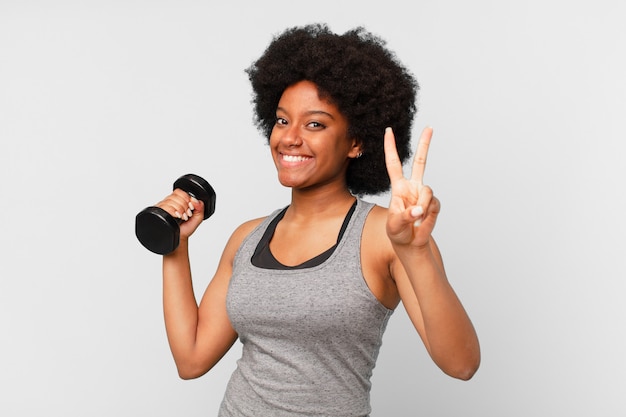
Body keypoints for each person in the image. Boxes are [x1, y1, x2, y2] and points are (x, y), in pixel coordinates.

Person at [155, 23, 480, 416]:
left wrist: (416, 251)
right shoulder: (248, 237)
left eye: (315, 124)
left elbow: (461, 364)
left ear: (356, 142)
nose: (290, 138)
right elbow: (191, 360)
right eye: (281, 120)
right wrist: (174, 243)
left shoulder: (385, 235)